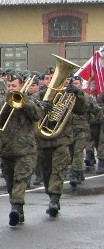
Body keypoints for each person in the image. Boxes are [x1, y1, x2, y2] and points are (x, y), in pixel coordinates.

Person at [0, 73, 43, 226]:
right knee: (10, 181)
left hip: (26, 150)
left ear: (21, 85)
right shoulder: (0, 102)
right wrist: (6, 107)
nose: (11, 89)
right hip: (6, 149)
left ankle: (16, 208)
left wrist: (24, 103)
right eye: (9, 86)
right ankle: (17, 208)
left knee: (21, 179)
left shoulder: (30, 100)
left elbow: (38, 115)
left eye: (14, 86)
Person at [36, 75, 88, 217]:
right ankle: (51, 194)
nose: (50, 81)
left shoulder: (69, 95)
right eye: (48, 79)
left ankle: (54, 199)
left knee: (58, 170)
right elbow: (30, 112)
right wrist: (39, 107)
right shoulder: (39, 95)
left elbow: (82, 110)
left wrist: (78, 93)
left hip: (62, 139)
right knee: (46, 172)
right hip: (43, 140)